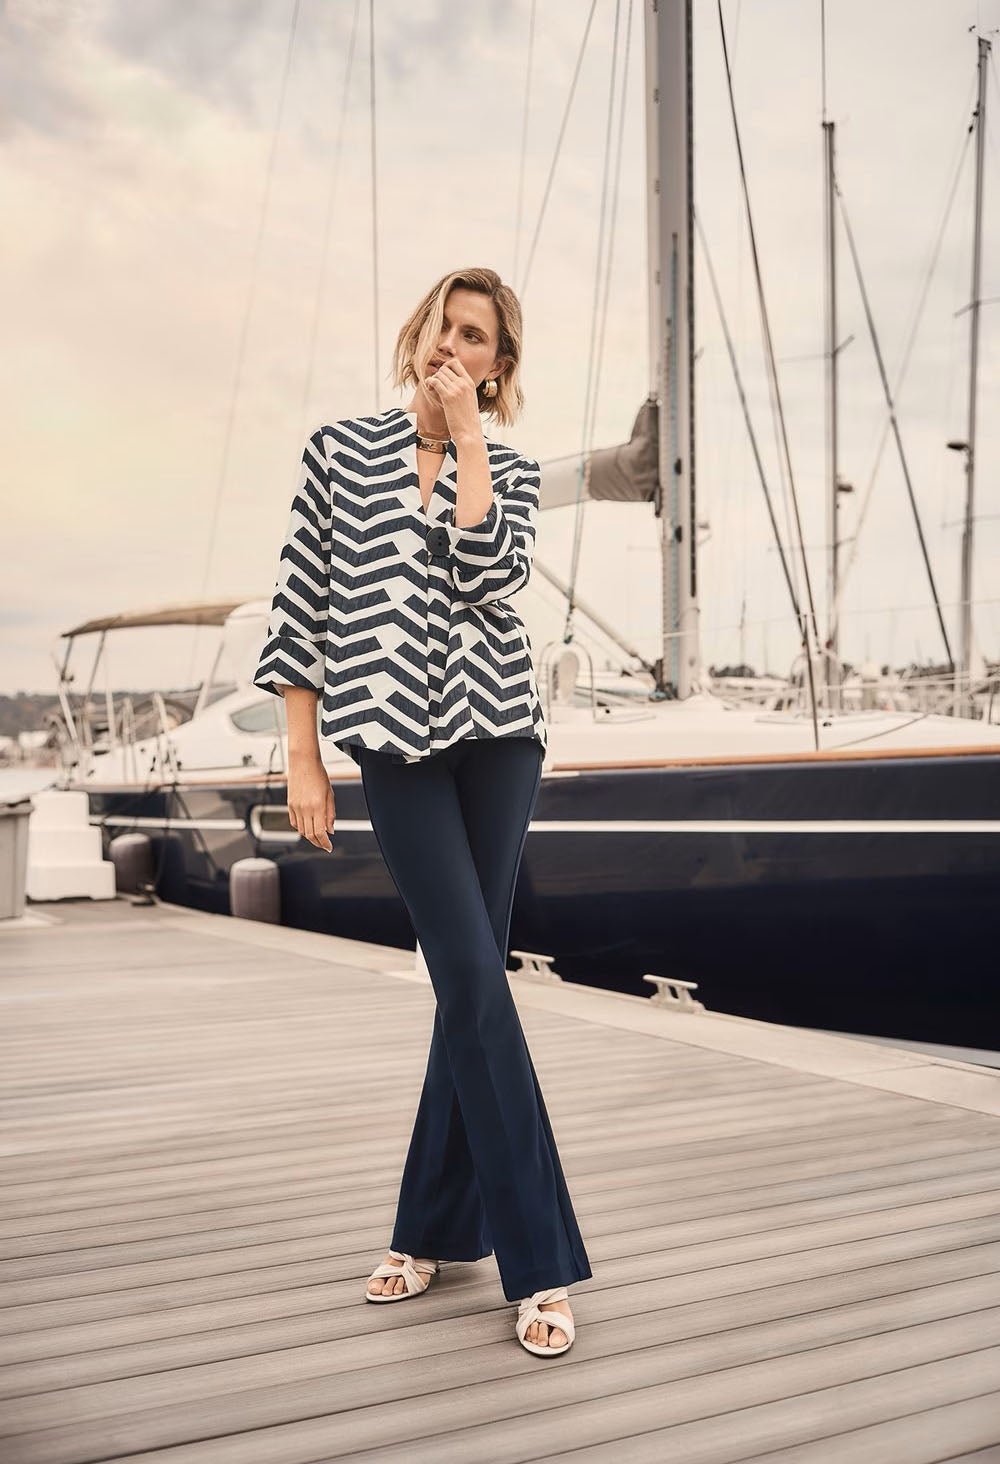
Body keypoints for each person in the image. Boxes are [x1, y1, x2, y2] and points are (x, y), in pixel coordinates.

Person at [254, 268, 592, 1356]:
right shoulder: (340, 453)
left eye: (478, 337)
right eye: (444, 326)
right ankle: (539, 1262)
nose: (455, 345)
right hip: (389, 742)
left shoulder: (515, 467)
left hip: (499, 740)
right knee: (467, 973)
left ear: (498, 366)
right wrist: (302, 759)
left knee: (470, 983)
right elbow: (300, 607)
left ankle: (425, 1230)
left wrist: (467, 449)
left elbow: (492, 581)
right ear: (418, 334)